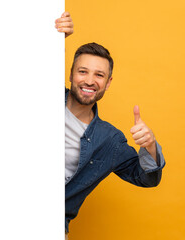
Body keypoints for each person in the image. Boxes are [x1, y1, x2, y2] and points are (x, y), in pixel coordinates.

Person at [55, 13, 165, 240]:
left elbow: (147, 178)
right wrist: (55, 40)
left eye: (99, 75)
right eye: (82, 71)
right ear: (70, 73)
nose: (89, 80)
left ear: (108, 82)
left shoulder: (109, 140)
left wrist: (150, 146)